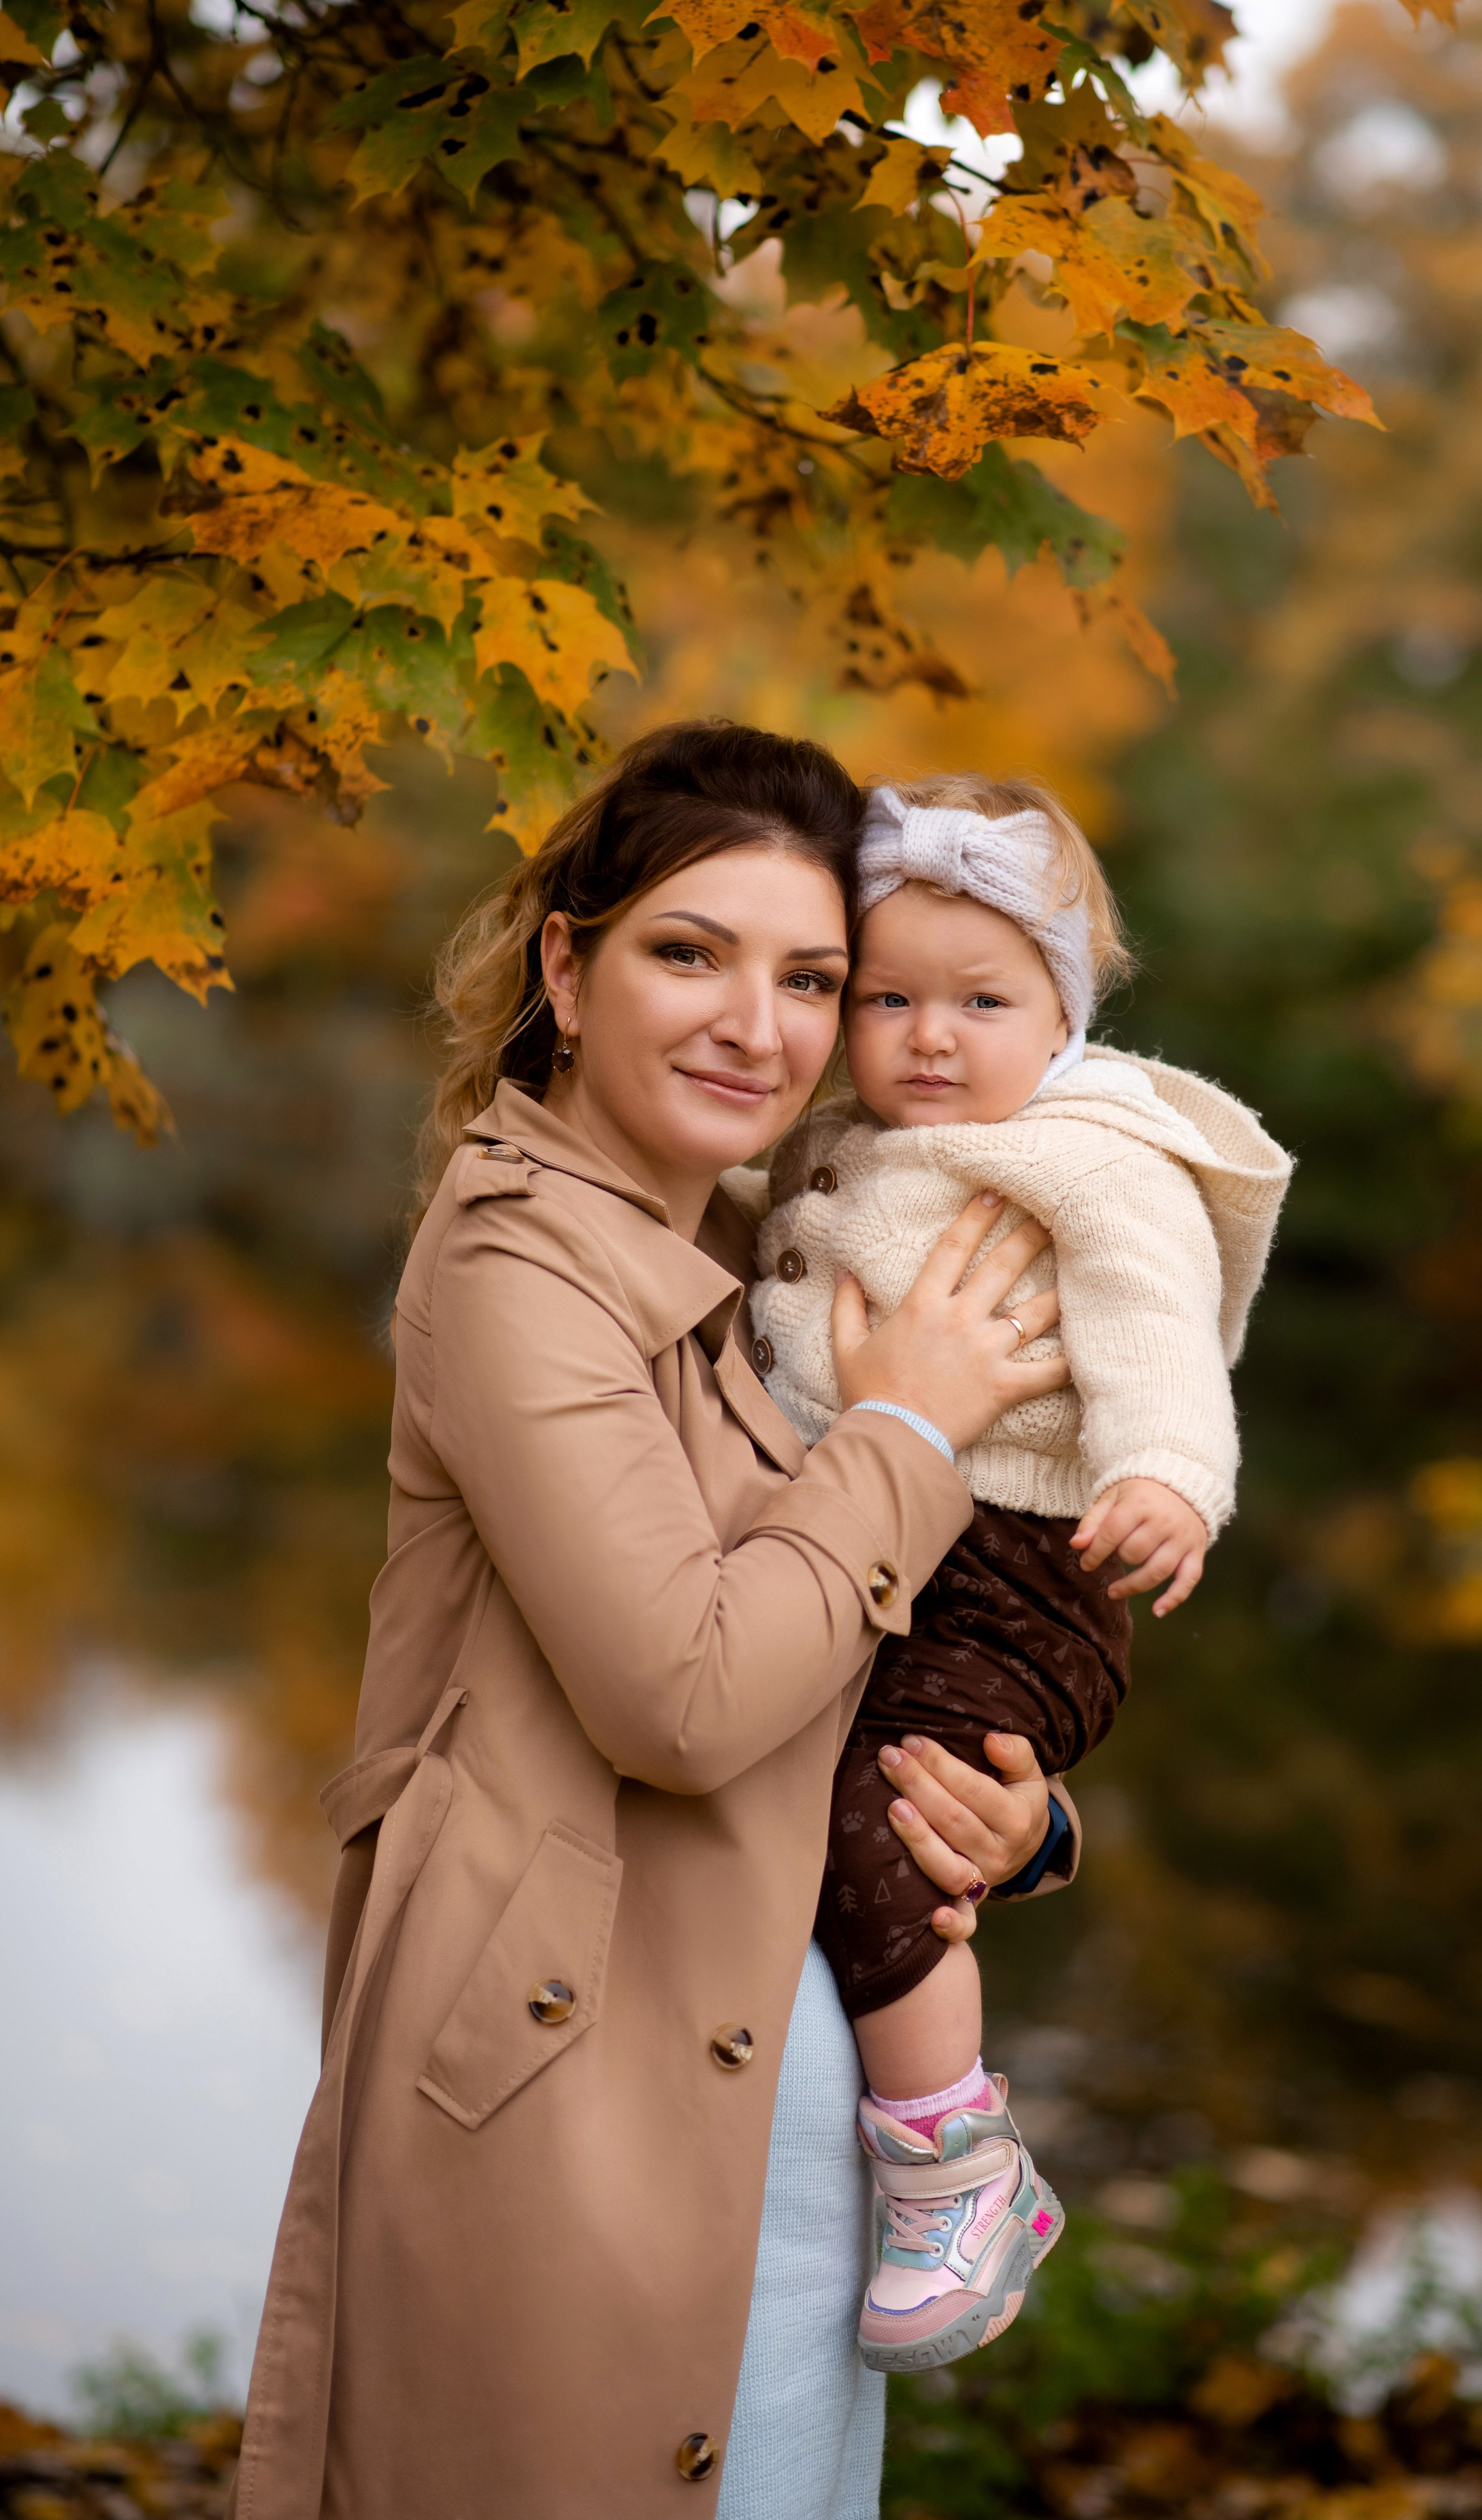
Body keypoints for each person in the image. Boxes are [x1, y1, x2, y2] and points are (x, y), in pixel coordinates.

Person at [228, 723, 1078, 2520]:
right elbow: (683, 1693)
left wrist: (1017, 1814)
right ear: (566, 964)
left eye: (810, 978)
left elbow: (858, 1646)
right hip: (579, 2111)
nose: (754, 1025)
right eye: (691, 952)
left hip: (788, 2095)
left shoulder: (775, 1250)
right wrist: (909, 1428)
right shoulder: (517, 1260)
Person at [746, 774, 1294, 2374]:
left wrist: (1165, 1475)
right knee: (835, 1785)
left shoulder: (1091, 1157)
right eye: (887, 999)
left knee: (881, 1807)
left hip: (1016, 1568)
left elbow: (1150, 1325)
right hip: (879, 1534)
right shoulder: (844, 1143)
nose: (928, 1037)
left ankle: (950, 2160)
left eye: (979, 1002)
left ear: (1062, 1011)